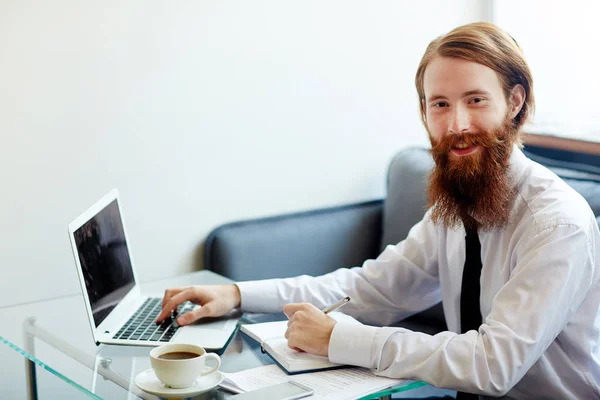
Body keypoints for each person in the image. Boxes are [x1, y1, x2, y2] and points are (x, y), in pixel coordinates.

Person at [156, 22, 600, 399]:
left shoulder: (557, 223)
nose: (456, 124)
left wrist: (343, 339)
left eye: (476, 100)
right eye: (440, 105)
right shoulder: (458, 201)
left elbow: (493, 365)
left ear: (515, 102)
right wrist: (237, 294)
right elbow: (368, 289)